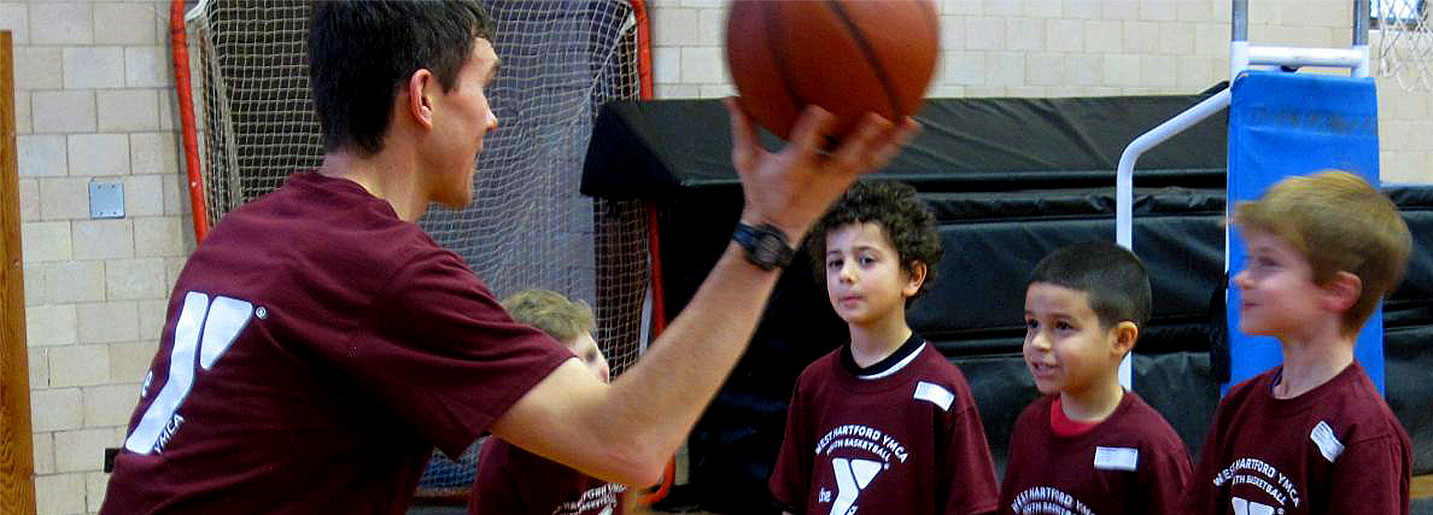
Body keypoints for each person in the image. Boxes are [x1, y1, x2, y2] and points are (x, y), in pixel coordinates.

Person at [100, 1, 918, 512]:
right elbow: (631, 442)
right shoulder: (378, 268)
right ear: (422, 97)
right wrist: (770, 228)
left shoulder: (245, 234)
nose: (493, 118)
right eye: (482, 85)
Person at [1184, 170, 1413, 515]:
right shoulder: (1239, 404)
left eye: (1268, 263)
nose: (1244, 278)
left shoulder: (1363, 431)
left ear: (1337, 291)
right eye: (1249, 261)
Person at [768, 180, 1000, 515]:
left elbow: (973, 507)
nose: (846, 274)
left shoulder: (940, 389)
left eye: (865, 260)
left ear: (913, 276)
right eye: (835, 262)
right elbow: (791, 501)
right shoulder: (813, 383)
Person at [999, 241, 1191, 515]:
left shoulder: (1152, 447)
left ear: (1121, 339)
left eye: (1062, 326)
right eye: (1032, 324)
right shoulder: (1029, 425)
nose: (1038, 342)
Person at [469, 289, 624, 515]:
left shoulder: (620, 430)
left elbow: (628, 498)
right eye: (569, 369)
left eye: (591, 356)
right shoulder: (504, 460)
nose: (594, 375)